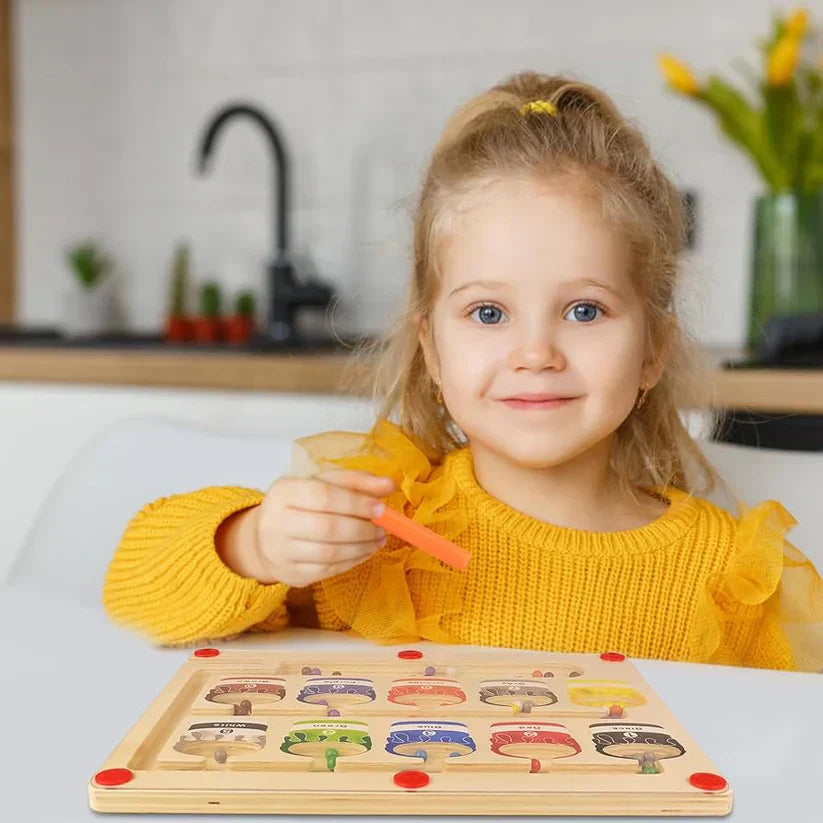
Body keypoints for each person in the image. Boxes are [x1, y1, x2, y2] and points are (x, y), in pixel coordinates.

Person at [103, 72, 822, 672]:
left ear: (652, 350)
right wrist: (252, 542)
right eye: (486, 314)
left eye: (582, 310)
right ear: (432, 350)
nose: (534, 352)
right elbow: (133, 585)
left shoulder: (731, 574)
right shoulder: (381, 535)